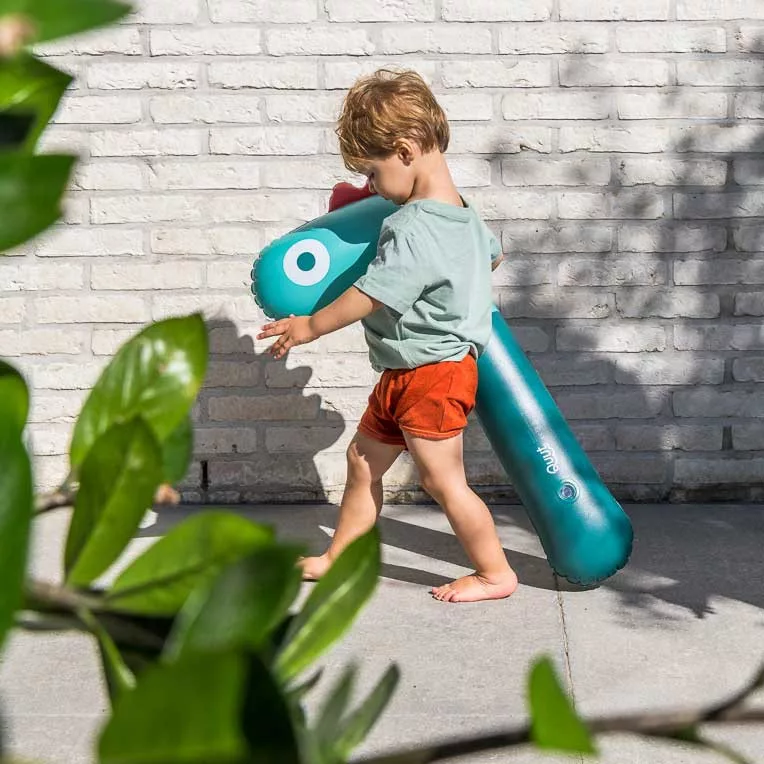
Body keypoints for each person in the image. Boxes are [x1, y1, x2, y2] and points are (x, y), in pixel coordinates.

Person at [257, 68, 518, 603]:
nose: (372, 188)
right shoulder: (463, 215)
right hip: (406, 369)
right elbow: (493, 256)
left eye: (373, 174)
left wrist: (309, 326)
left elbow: (373, 294)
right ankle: (340, 557)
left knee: (442, 481)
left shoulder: (414, 226)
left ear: (404, 151)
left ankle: (495, 573)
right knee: (362, 462)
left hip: (433, 373)